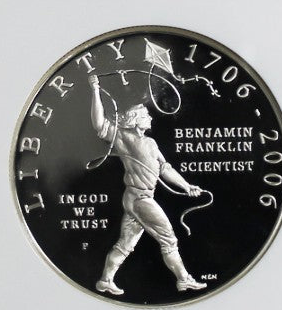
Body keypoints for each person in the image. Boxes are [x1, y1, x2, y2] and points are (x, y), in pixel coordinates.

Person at [88, 74, 207, 296]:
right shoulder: (123, 137)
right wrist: (95, 89)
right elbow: (99, 124)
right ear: (135, 120)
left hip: (139, 199)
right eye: (145, 115)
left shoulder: (151, 143)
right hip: (139, 198)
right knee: (169, 239)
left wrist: (186, 186)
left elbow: (165, 168)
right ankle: (184, 279)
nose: (150, 117)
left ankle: (105, 280)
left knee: (125, 244)